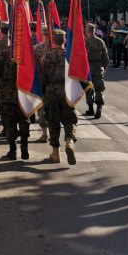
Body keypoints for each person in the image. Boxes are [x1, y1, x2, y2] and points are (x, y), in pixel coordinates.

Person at [0, 22, 30, 160]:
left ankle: (13, 151)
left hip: (7, 94)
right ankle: (25, 149)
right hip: (24, 93)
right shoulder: (26, 55)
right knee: (24, 120)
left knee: (9, 121)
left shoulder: (2, 54)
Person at [40, 29, 78, 165]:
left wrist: (43, 94)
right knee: (69, 119)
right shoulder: (69, 56)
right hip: (67, 92)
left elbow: (42, 78)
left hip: (51, 92)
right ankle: (69, 140)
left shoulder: (47, 56)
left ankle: (56, 153)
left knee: (53, 122)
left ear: (53, 40)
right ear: (64, 41)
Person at [85, 23, 109, 119]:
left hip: (87, 67)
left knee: (88, 88)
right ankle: (99, 107)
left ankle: (90, 108)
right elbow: (105, 56)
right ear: (94, 31)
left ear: (87, 31)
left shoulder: (84, 41)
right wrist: (105, 67)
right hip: (98, 67)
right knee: (99, 88)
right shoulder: (100, 41)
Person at [33, 26, 51, 142]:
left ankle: (45, 133)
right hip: (56, 81)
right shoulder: (56, 48)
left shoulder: (36, 48)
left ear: (41, 33)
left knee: (42, 108)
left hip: (41, 80)